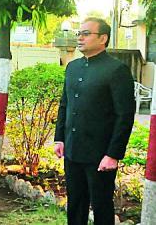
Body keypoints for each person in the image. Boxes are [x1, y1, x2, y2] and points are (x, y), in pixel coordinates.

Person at [54, 18, 135, 225]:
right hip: (73, 151)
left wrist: (113, 154)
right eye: (78, 33)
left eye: (86, 33)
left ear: (103, 38)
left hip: (100, 156)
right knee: (75, 204)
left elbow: (124, 115)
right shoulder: (72, 67)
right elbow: (65, 105)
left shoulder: (117, 70)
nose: (79, 38)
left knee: (101, 207)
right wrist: (59, 139)